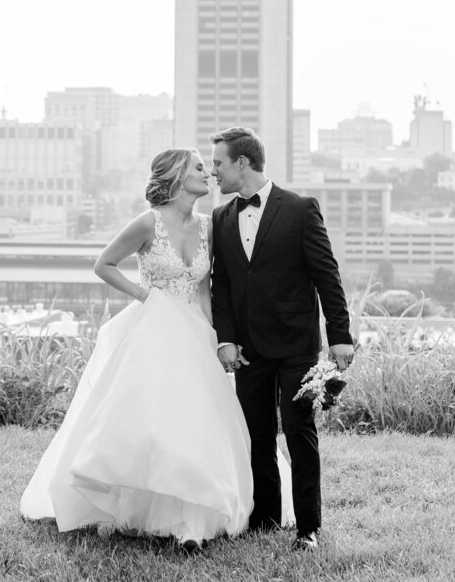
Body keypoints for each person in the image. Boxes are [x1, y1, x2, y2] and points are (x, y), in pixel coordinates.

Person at [20, 148, 260, 549]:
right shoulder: (148, 222)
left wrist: (217, 337)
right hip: (153, 328)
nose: (208, 174)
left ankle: (193, 521)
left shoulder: (208, 227)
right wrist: (144, 295)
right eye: (200, 167)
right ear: (178, 176)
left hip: (194, 330)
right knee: (149, 420)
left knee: (197, 421)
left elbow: (204, 288)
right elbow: (104, 264)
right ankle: (134, 502)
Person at [208, 126, 355, 551]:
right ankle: (265, 518)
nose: (214, 171)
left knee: (297, 431)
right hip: (248, 349)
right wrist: (226, 340)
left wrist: (340, 336)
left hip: (296, 344)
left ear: (242, 162)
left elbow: (326, 275)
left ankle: (309, 528)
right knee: (255, 435)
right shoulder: (220, 217)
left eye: (218, 163)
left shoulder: (300, 208)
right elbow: (223, 287)